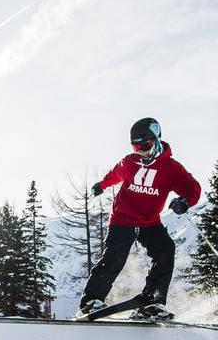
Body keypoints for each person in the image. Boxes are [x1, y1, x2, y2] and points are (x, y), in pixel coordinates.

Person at [78, 117, 202, 319]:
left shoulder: (171, 168)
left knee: (165, 250)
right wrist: (101, 185)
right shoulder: (129, 162)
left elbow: (192, 188)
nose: (140, 151)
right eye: (136, 147)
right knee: (115, 257)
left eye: (144, 146)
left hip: (149, 221)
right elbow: (114, 174)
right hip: (122, 218)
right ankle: (91, 301)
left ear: (156, 140)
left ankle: (153, 301)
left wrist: (185, 201)